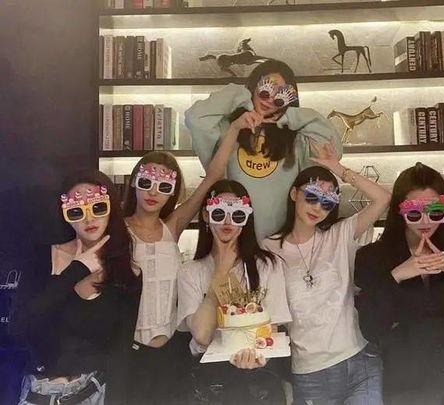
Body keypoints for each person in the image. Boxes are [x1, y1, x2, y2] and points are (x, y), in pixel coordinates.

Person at [354, 162, 444, 405]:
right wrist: (397, 275)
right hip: (408, 383)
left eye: (435, 212)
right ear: (399, 211)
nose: (425, 220)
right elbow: (371, 328)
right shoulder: (373, 257)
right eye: (414, 213)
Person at [262, 142, 391, 405]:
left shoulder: (339, 235)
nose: (317, 207)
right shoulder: (269, 248)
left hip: (360, 361)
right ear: (294, 193)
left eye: (327, 202)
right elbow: (269, 311)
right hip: (310, 372)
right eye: (311, 196)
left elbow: (383, 198)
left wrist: (338, 169)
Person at [122, 125, 238, 404]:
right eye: (147, 182)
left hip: (173, 350)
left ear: (172, 191)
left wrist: (235, 128)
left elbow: (213, 177)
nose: (153, 192)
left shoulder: (171, 226)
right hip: (128, 351)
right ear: (134, 181)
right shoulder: (116, 230)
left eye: (164, 186)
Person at [11, 170, 141, 405]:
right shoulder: (42, 258)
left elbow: (121, 351)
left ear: (111, 208)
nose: (88, 219)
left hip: (93, 393)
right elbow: (19, 326)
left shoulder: (127, 272)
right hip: (41, 393)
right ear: (65, 215)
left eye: (98, 207)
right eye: (76, 211)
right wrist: (76, 270)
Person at [185, 59, 342, 240]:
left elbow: (333, 149)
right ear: (254, 86)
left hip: (280, 244)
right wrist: (242, 98)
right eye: (266, 89)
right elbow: (194, 118)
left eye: (281, 96)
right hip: (232, 239)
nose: (270, 100)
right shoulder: (227, 130)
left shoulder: (296, 139)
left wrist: (287, 115)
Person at [177, 179, 292, 404]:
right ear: (206, 215)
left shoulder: (267, 265)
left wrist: (257, 355)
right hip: (211, 384)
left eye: (237, 215)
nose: (228, 221)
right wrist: (221, 271)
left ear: (247, 218)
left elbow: (272, 327)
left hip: (260, 379)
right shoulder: (190, 271)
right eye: (219, 213)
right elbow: (202, 335)